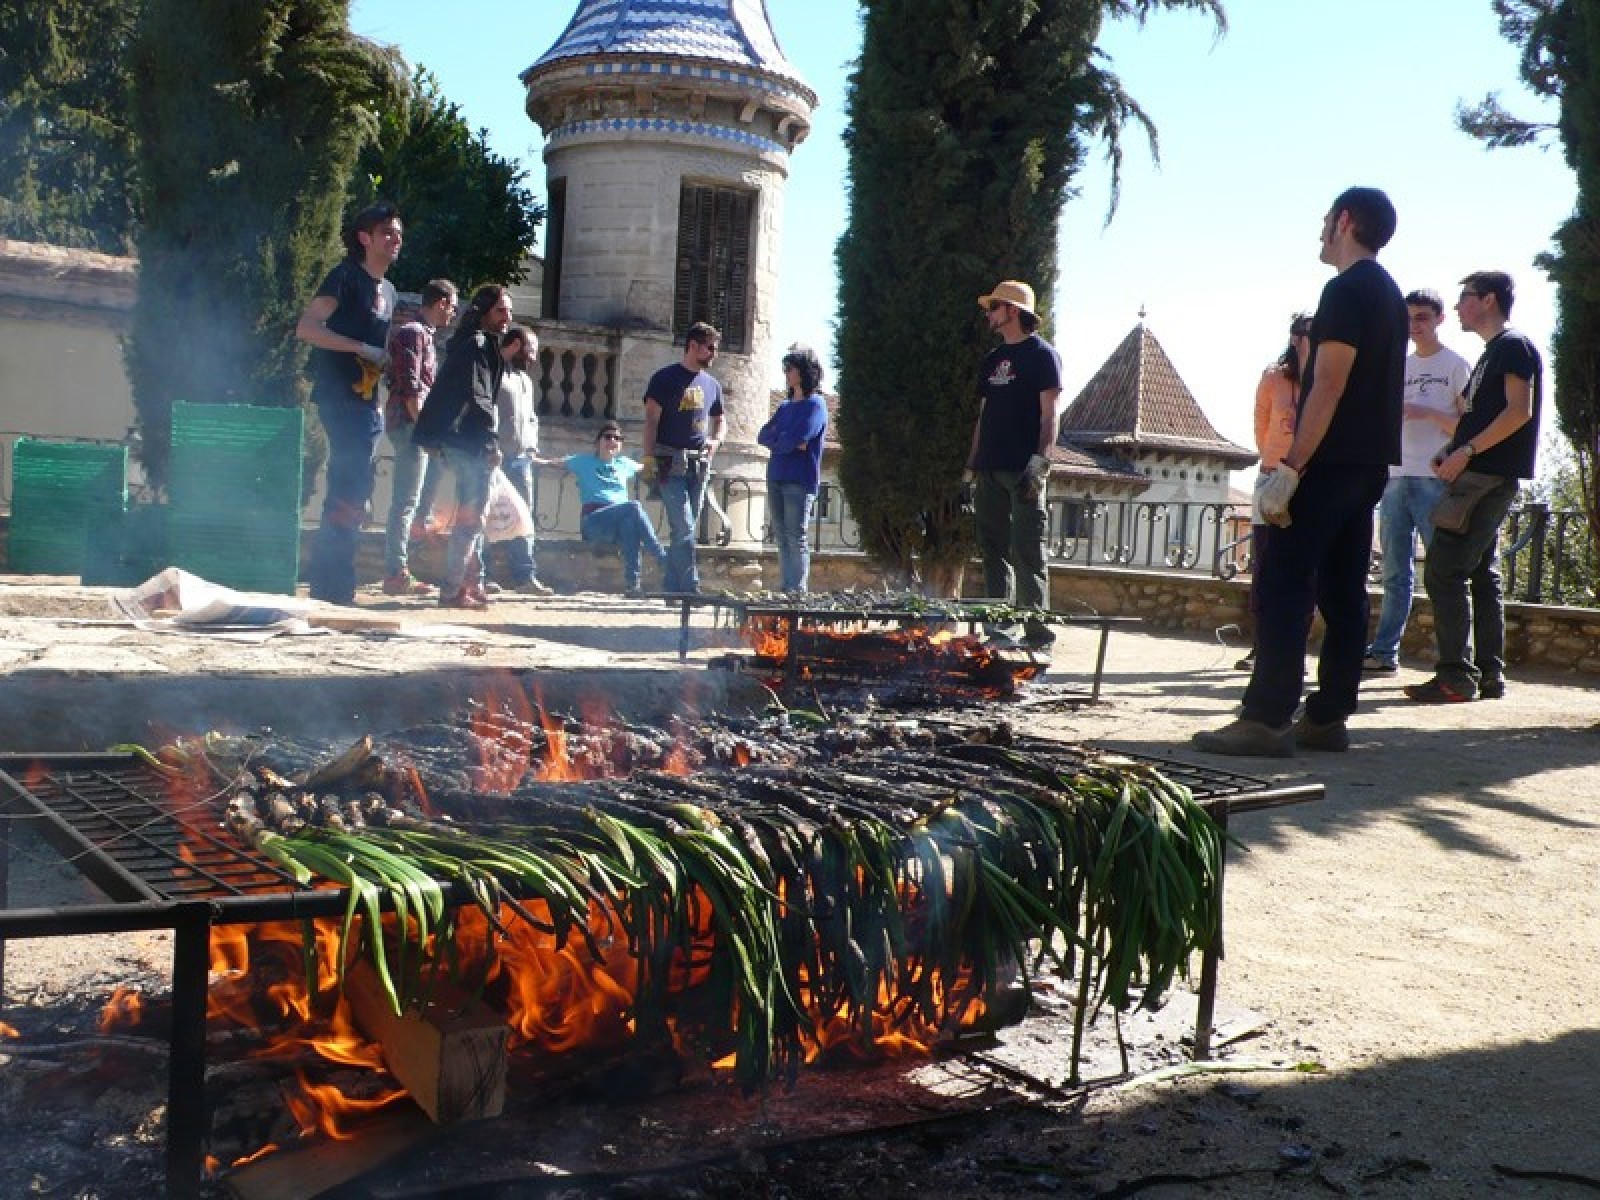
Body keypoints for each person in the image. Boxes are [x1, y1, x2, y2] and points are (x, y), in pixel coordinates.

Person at [1194, 187, 1406, 757]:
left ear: (1344, 221)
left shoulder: (1345, 288)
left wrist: (1291, 465)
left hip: (1328, 463)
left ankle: (1266, 718)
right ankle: (1329, 716)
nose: (1319, 233)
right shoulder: (1387, 294)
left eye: (1324, 222)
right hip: (1368, 466)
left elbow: (1330, 383)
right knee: (1342, 592)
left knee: (1285, 583)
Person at [1406, 272, 1543, 703]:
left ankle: (1456, 677)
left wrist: (1466, 452)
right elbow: (1478, 415)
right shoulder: (1490, 354)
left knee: (1444, 568)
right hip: (1479, 472)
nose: (1459, 306)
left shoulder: (1512, 346)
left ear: (1486, 300)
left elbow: (1519, 412)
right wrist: (1452, 447)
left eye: (1464, 298)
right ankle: (1488, 675)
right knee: (1482, 575)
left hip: (1487, 477)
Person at [295, 203, 402, 605]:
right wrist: (362, 348)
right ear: (365, 238)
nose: (395, 241)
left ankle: (337, 583)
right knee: (348, 490)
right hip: (339, 397)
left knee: (357, 491)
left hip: (368, 403)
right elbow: (307, 328)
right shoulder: (345, 277)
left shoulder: (388, 291)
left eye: (398, 235)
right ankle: (331, 586)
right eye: (387, 233)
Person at [1363, 289, 1470, 673]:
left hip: (1434, 478)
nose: (1415, 326)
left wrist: (1424, 411)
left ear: (1439, 319)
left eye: (1423, 317)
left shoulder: (1455, 365)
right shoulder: (1400, 366)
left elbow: (1469, 426)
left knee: (1442, 573)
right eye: (1409, 318)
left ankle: (1455, 660)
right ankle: (1384, 652)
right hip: (1395, 477)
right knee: (1394, 572)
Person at [963, 279, 1064, 650]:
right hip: (989, 467)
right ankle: (999, 633)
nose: (988, 314)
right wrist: (971, 466)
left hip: (1024, 469)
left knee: (1028, 551)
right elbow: (983, 416)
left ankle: (1038, 636)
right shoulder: (992, 361)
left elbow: (1050, 415)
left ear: (1012, 311)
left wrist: (1041, 464)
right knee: (992, 552)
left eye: (994, 307)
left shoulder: (1042, 356)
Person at [412, 284, 512, 609]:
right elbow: (478, 397)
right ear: (483, 313)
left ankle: (472, 583)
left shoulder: (475, 343)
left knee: (473, 516)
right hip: (467, 441)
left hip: (456, 439)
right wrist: (491, 441)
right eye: (500, 310)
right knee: (471, 518)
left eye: (509, 311)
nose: (508, 317)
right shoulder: (478, 344)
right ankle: (454, 590)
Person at [1237, 312, 1312, 671]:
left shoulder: (1326, 376)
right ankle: (1261, 646)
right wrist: (1273, 465)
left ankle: (1295, 649)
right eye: (1303, 334)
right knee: (1265, 561)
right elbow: (1261, 423)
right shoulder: (1273, 377)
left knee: (1305, 564)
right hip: (1273, 475)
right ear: (1294, 339)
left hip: (1312, 477)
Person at [381, 278, 457, 596]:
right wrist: (423, 428)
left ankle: (399, 570)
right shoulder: (414, 333)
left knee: (414, 502)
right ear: (440, 304)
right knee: (406, 501)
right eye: (452, 307)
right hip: (410, 426)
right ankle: (396, 573)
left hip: (414, 426)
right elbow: (411, 386)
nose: (453, 314)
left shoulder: (422, 334)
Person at [641, 322, 725, 594]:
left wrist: (716, 440)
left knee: (683, 531)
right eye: (709, 348)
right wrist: (648, 458)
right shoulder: (663, 378)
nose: (714, 354)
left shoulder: (712, 385)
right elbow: (651, 421)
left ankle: (670, 586)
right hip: (668, 459)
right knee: (684, 525)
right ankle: (691, 587)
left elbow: (720, 420)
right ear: (693, 346)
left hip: (699, 463)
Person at [541, 422, 667, 596]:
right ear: (598, 442)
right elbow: (554, 463)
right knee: (634, 507)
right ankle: (661, 557)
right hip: (594, 521)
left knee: (630, 527)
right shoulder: (583, 461)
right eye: (608, 436)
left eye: (617, 438)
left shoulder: (625, 464)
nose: (612, 441)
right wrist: (531, 458)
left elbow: (649, 468)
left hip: (618, 522)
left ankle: (632, 585)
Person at [758, 343, 828, 592]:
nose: (786, 373)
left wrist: (784, 439)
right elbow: (763, 436)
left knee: (796, 536)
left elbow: (802, 435)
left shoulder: (816, 405)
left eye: (790, 368)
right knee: (781, 536)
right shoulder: (784, 407)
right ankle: (786, 587)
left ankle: (796, 591)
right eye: (785, 368)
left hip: (799, 479)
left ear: (804, 372)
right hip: (776, 475)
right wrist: (785, 440)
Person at [490, 324, 553, 596]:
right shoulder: (494, 373)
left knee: (524, 519)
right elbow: (488, 411)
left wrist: (533, 448)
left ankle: (525, 576)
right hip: (498, 458)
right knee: (491, 516)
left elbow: (531, 418)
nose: (533, 357)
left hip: (522, 459)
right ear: (515, 345)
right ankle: (485, 575)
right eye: (530, 349)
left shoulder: (526, 381)